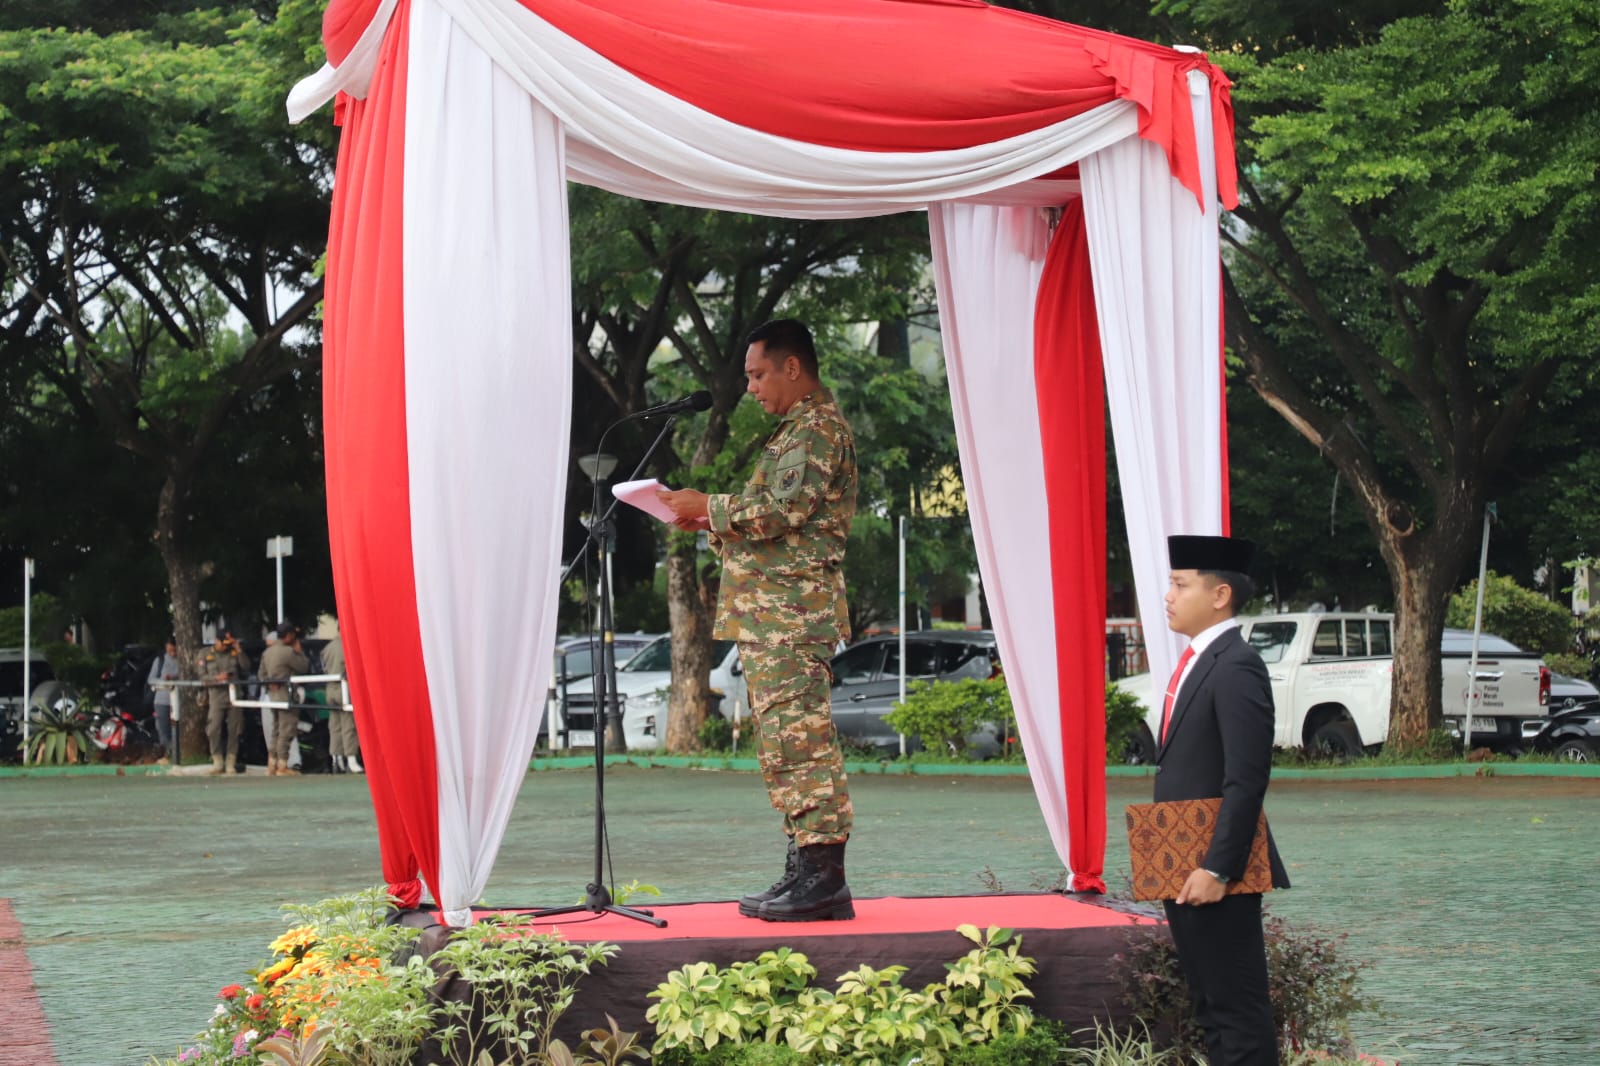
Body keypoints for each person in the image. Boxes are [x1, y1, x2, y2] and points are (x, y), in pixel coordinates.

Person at [657, 318, 857, 923]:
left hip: (793, 618)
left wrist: (710, 506)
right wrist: (709, 521)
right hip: (776, 617)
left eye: (758, 374)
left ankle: (824, 878)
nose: (751, 388)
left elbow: (785, 510)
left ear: (792, 367)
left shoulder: (816, 429)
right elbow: (771, 525)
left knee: (803, 744)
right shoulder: (793, 432)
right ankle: (806, 865)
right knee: (783, 747)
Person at [1156, 534, 1291, 1066]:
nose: (1168, 594)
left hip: (1216, 872)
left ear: (1220, 596)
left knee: (1237, 1009)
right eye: (1170, 582)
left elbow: (1246, 778)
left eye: (1180, 584)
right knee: (1212, 1007)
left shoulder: (1236, 665)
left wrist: (1218, 867)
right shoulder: (1197, 660)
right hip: (1182, 862)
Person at [259, 622, 309, 776]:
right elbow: (303, 667)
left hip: (272, 696)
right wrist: (299, 652)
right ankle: (282, 764)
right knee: (286, 729)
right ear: (288, 635)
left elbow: (261, 674)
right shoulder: (288, 652)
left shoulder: (267, 652)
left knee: (275, 729)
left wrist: (269, 684)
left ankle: (272, 763)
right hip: (286, 695)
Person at [203, 631, 252, 776]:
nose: (225, 647)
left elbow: (246, 666)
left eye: (227, 644)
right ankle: (217, 760)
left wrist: (238, 649)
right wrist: (216, 678)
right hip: (216, 695)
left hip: (234, 694)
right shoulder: (206, 653)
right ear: (216, 641)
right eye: (223, 643)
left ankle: (231, 761)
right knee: (213, 728)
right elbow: (201, 675)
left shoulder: (234, 652)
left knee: (235, 729)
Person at [321, 632, 362, 774]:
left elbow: (324, 667)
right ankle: (351, 759)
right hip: (344, 688)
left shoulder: (328, 647)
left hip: (329, 689)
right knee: (348, 725)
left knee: (334, 725)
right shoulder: (347, 646)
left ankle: (336, 759)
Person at [146, 638, 180, 765]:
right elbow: (151, 679)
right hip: (162, 700)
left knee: (177, 729)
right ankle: (166, 754)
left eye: (174, 650)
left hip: (178, 700)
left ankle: (177, 753)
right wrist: (163, 681)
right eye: (170, 649)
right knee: (163, 729)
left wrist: (175, 677)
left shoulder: (183, 660)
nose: (173, 652)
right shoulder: (160, 661)